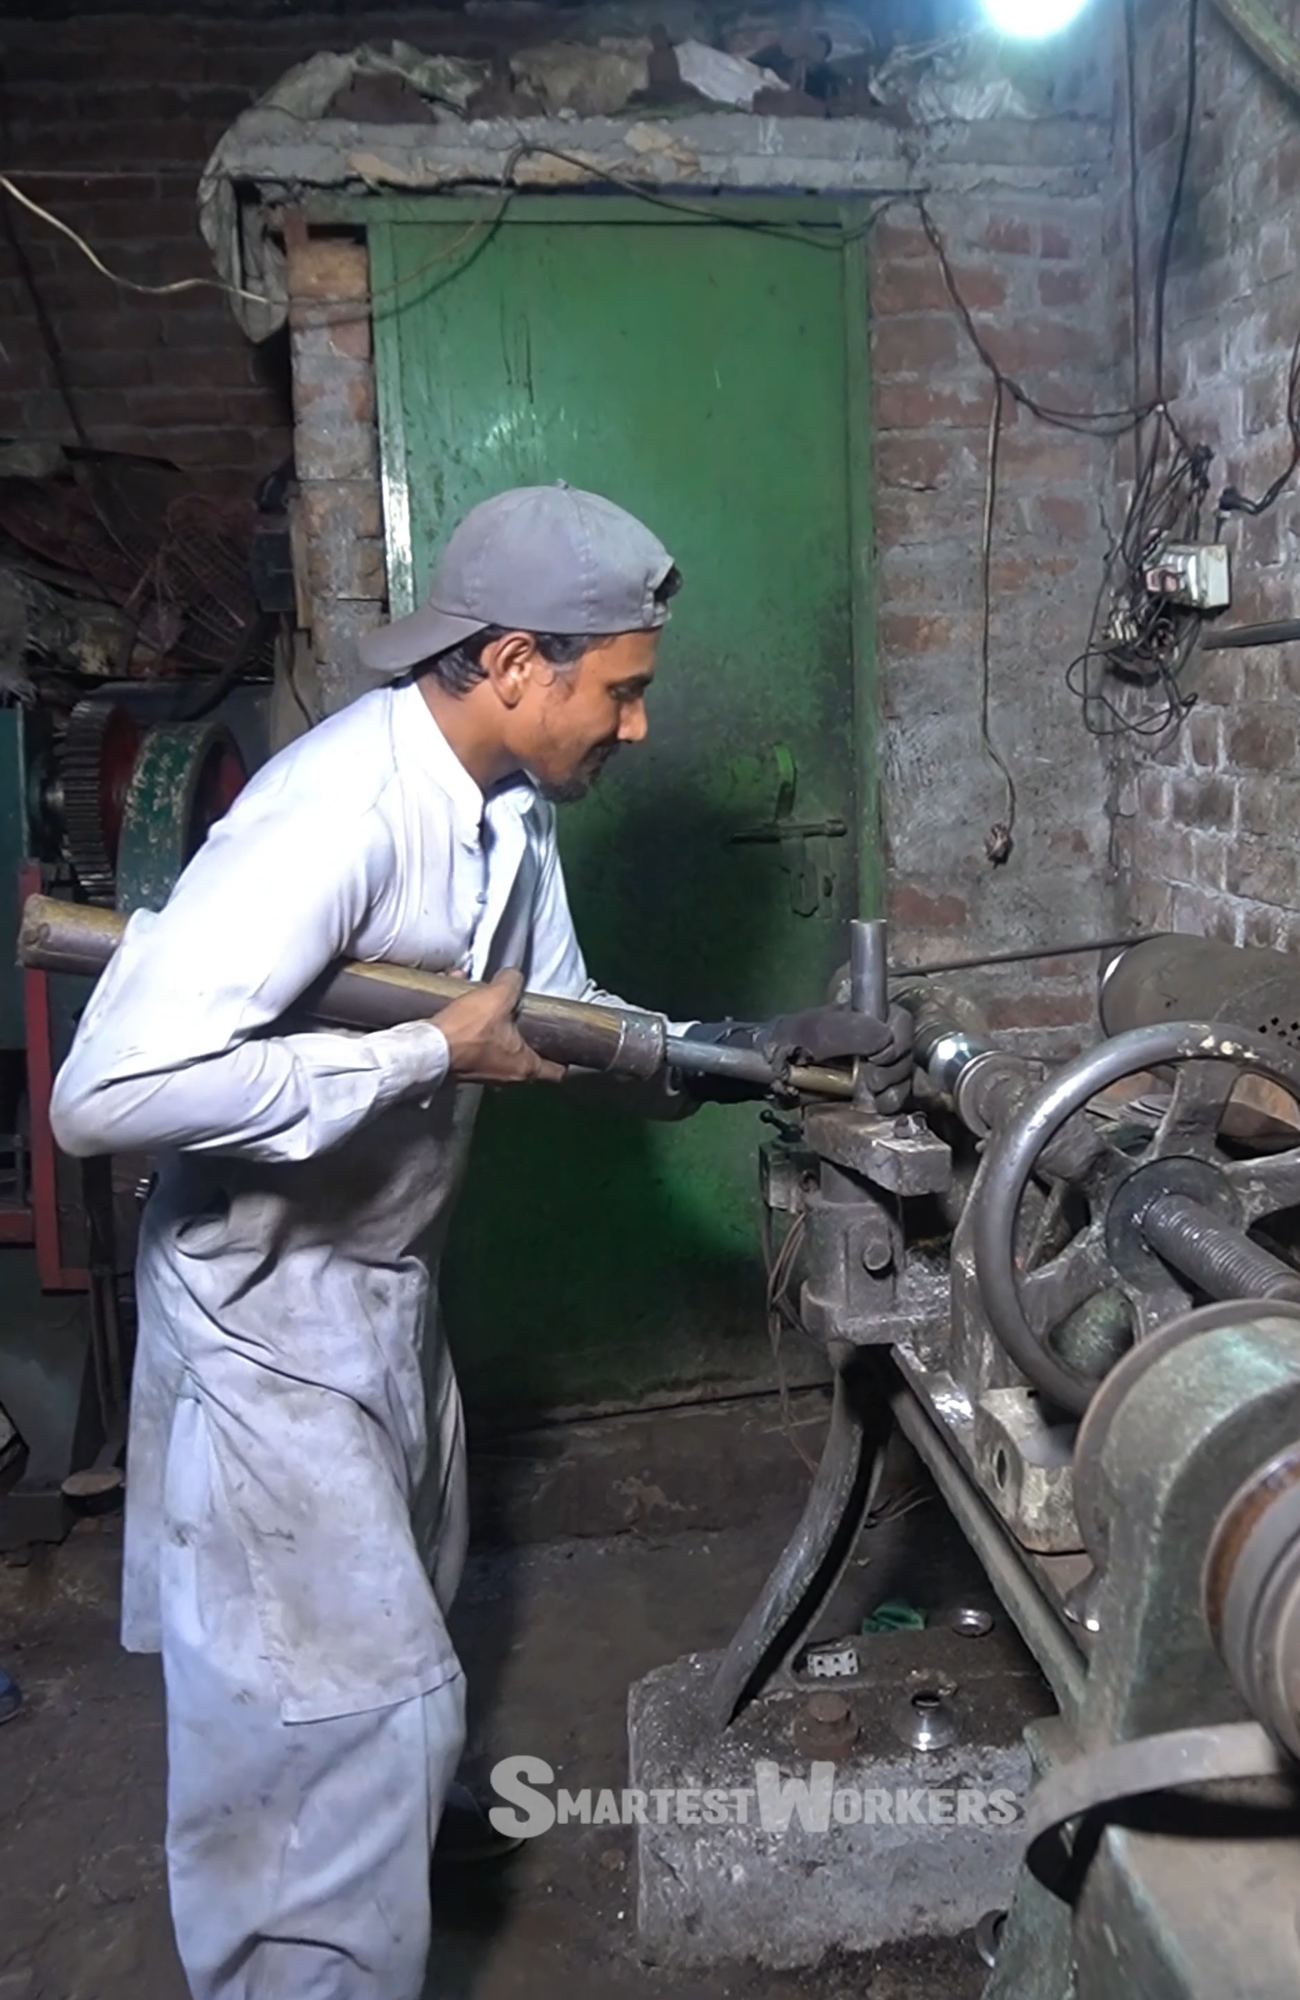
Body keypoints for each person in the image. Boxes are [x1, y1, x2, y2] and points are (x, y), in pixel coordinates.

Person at [48, 484, 907, 2000]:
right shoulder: (337, 817)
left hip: (382, 1294)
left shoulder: (504, 810)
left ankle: (391, 1839)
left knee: (407, 1630)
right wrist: (423, 1058)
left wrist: (737, 1055)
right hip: (269, 1323)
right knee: (339, 1717)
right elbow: (105, 1093)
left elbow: (558, 1030)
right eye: (621, 692)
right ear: (516, 663)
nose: (635, 729)